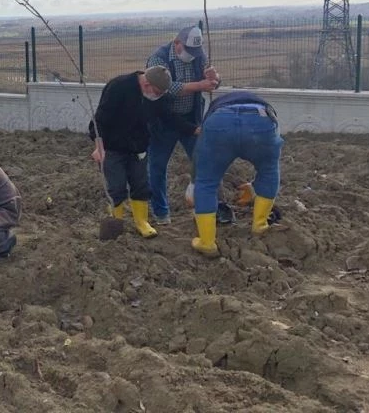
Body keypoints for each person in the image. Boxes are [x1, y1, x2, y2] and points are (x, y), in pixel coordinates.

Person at [90, 66, 199, 238]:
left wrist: (194, 130)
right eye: (156, 92)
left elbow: (168, 117)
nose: (158, 96)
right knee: (116, 187)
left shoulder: (157, 97)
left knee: (141, 185)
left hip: (138, 147)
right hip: (112, 147)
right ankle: (116, 224)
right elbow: (100, 119)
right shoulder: (119, 86)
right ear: (146, 84)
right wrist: (99, 146)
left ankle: (141, 222)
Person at [190, 90, 283, 257]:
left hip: (219, 123)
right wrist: (255, 187)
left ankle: (207, 242)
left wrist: (193, 183)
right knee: (269, 171)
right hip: (260, 121)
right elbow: (270, 159)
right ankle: (260, 225)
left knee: (207, 182)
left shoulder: (215, 108)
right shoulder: (263, 104)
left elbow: (199, 153)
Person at [145, 25, 220, 224]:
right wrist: (200, 85)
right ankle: (161, 213)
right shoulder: (159, 59)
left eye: (195, 52)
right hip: (164, 122)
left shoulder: (198, 55)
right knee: (157, 167)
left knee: (202, 160)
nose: (192, 56)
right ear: (177, 43)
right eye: (187, 51)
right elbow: (168, 88)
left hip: (190, 118)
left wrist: (214, 79)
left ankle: (202, 204)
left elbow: (212, 81)